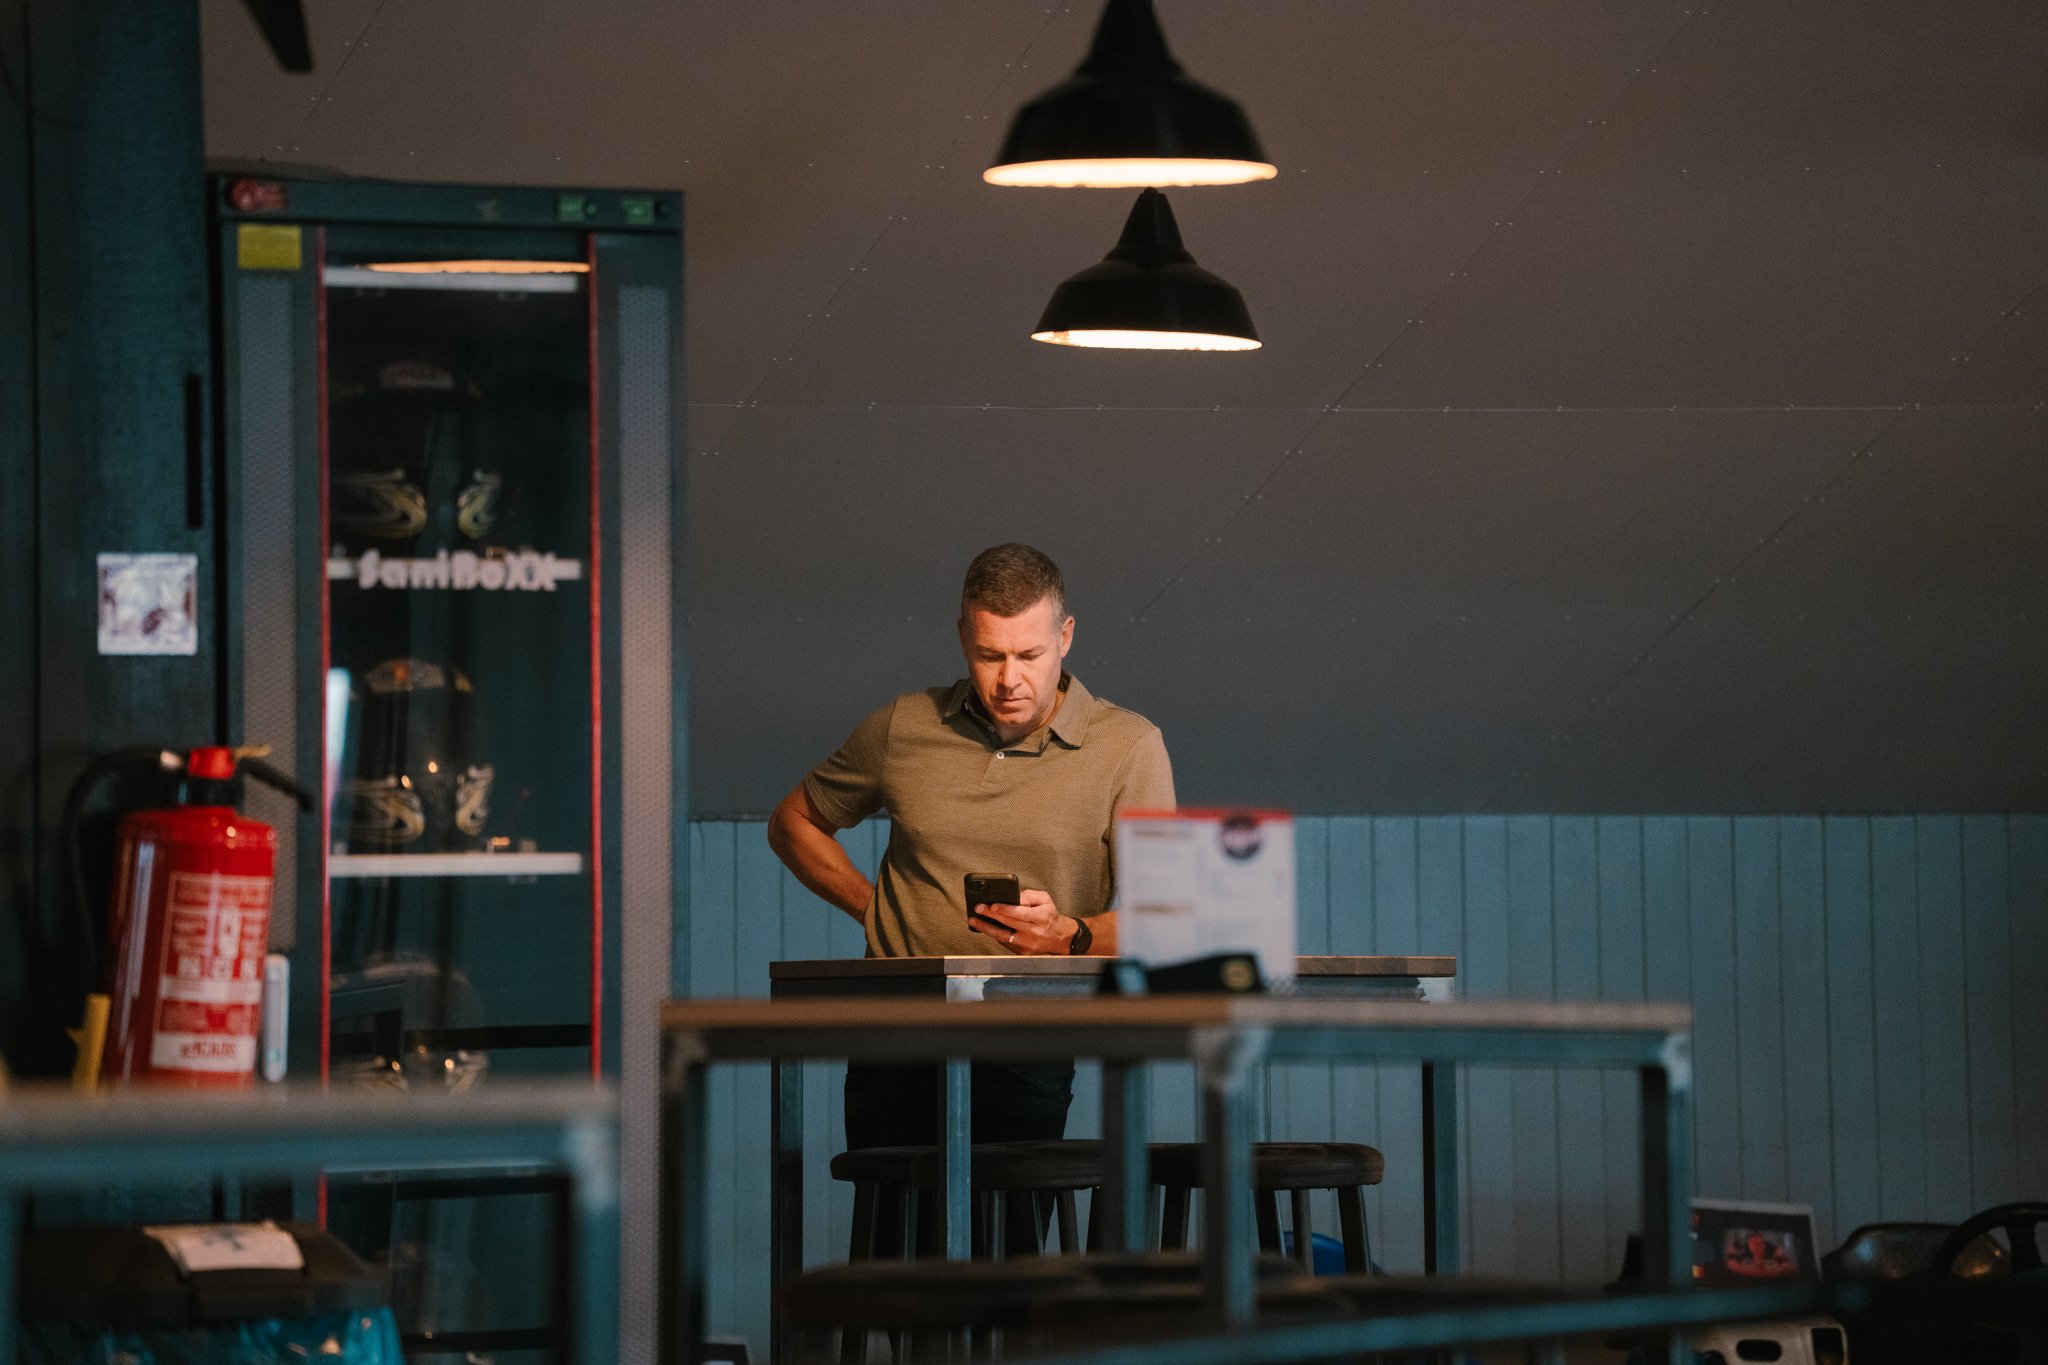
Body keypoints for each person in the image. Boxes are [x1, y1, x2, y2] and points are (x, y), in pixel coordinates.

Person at [766, 543, 1174, 1149]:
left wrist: (1069, 936)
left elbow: (1168, 919)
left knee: (1007, 1234)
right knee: (890, 1236)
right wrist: (871, 907)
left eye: (1029, 654)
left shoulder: (1128, 746)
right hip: (894, 1029)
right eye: (990, 655)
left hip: (1030, 1035)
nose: (1010, 679)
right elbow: (792, 821)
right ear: (963, 639)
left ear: (1066, 636)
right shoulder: (902, 726)